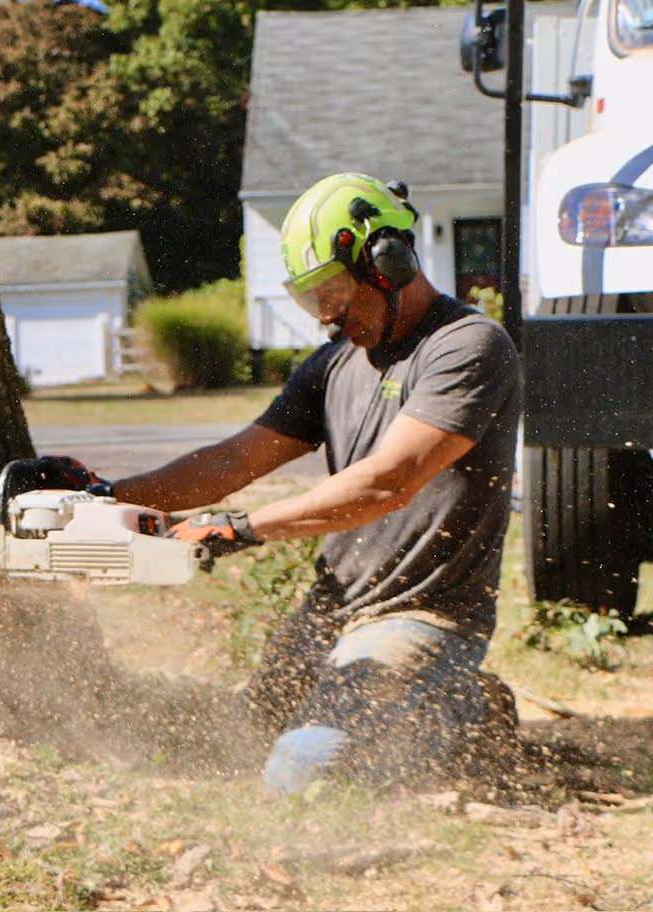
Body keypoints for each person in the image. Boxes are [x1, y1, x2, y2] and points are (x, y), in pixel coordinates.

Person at [110, 172, 523, 794]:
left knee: (304, 774)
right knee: (244, 741)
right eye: (309, 298)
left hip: (424, 614)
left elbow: (387, 483)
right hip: (331, 608)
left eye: (331, 290)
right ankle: (423, 704)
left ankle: (467, 708)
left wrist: (240, 528)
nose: (324, 316)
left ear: (388, 262)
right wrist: (105, 495)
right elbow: (232, 462)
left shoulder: (466, 347)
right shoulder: (333, 363)